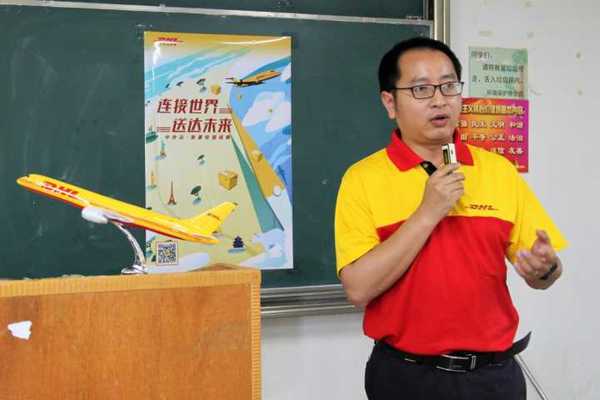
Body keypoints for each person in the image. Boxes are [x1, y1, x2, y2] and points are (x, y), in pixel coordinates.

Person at [334, 37, 568, 400]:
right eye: (421, 89)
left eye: (448, 86)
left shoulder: (498, 171)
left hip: (493, 378)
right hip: (407, 379)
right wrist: (427, 213)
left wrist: (546, 268)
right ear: (390, 103)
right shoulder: (362, 179)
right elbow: (358, 289)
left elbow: (545, 276)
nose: (439, 100)